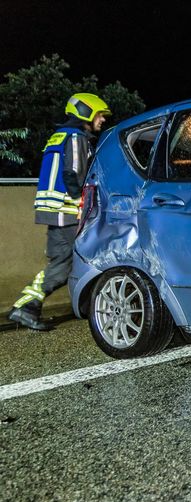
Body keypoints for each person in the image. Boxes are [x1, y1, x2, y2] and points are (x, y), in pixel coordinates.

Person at [8, 93, 110, 331]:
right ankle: (25, 306)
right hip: (65, 210)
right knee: (63, 264)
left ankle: (27, 306)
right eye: (100, 114)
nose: (103, 119)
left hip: (54, 208)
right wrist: (80, 203)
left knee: (64, 262)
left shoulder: (59, 136)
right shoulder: (76, 137)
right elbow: (72, 173)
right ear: (85, 111)